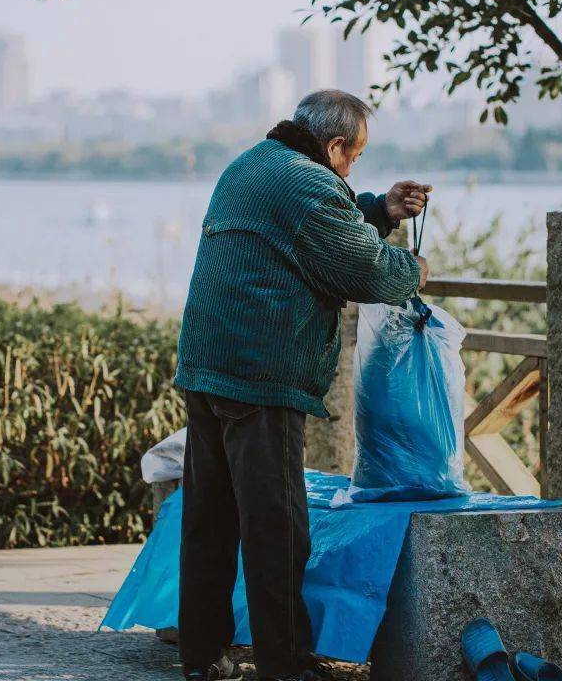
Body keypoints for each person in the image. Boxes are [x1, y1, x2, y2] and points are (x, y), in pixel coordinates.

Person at [173, 90, 430, 681]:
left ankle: (202, 657)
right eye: (354, 157)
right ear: (334, 146)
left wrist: (381, 210)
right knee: (276, 527)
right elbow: (365, 268)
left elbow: (314, 227)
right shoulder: (308, 185)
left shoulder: (255, 164)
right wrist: (411, 271)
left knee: (210, 520)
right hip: (260, 373)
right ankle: (285, 665)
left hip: (209, 362)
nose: (352, 169)